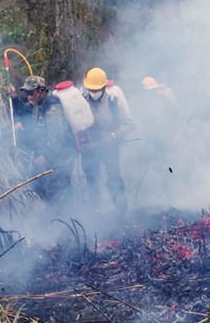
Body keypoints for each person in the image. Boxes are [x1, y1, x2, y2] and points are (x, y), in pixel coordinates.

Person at [80, 67, 136, 214]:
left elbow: (130, 124)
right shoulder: (81, 98)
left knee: (114, 178)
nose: (93, 93)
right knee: (91, 179)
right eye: (90, 89)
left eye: (96, 89)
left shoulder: (114, 99)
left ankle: (121, 211)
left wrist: (112, 136)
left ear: (104, 87)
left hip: (109, 147)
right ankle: (95, 211)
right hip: (89, 147)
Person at [12, 76, 75, 201]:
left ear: (41, 91)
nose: (28, 95)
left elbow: (57, 138)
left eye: (31, 92)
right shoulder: (37, 104)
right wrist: (14, 98)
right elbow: (24, 112)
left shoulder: (52, 109)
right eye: (27, 92)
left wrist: (45, 156)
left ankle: (65, 218)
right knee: (45, 193)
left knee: (59, 194)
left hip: (59, 162)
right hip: (48, 161)